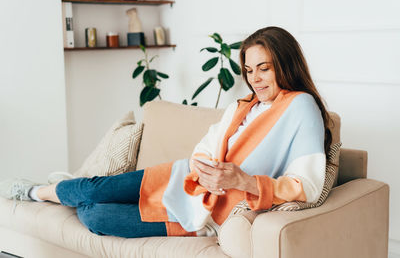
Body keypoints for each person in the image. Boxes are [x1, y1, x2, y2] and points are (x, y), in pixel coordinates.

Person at [0, 26, 332, 238]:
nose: (255, 79)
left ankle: (60, 196)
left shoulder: (301, 107)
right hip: (182, 177)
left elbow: (308, 187)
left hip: (204, 214)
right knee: (95, 187)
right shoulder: (244, 104)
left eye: (264, 68)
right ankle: (36, 193)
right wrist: (205, 165)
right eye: (248, 70)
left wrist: (241, 181)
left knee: (96, 215)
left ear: (285, 65)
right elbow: (207, 144)